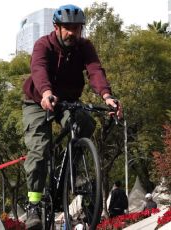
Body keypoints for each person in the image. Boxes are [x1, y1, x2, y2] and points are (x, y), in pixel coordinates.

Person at [22, 4, 123, 229]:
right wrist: (46, 93)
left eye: (76, 28)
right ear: (56, 27)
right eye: (67, 28)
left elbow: (95, 70)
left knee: (85, 125)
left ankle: (72, 170)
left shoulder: (84, 46)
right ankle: (34, 205)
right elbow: (38, 69)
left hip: (67, 101)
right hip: (38, 100)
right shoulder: (43, 45)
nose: (72, 33)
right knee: (39, 149)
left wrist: (107, 96)